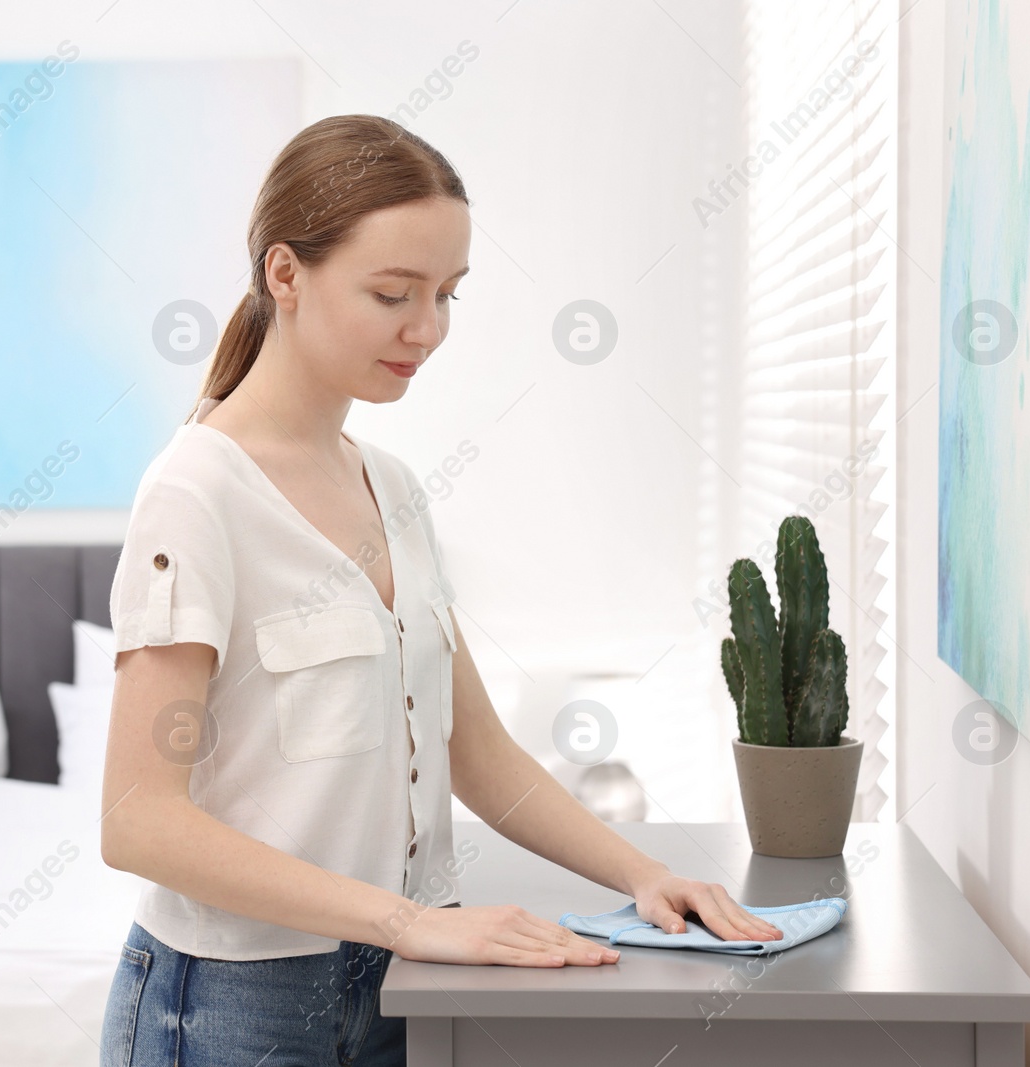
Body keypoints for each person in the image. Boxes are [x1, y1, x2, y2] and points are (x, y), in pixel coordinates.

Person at [97, 114, 780, 1067]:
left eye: (448, 295)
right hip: (232, 1007)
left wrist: (647, 874)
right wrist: (408, 921)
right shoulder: (195, 495)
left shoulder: (395, 489)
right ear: (285, 275)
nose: (428, 330)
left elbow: (478, 751)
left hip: (400, 986)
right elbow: (136, 818)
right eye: (392, 294)